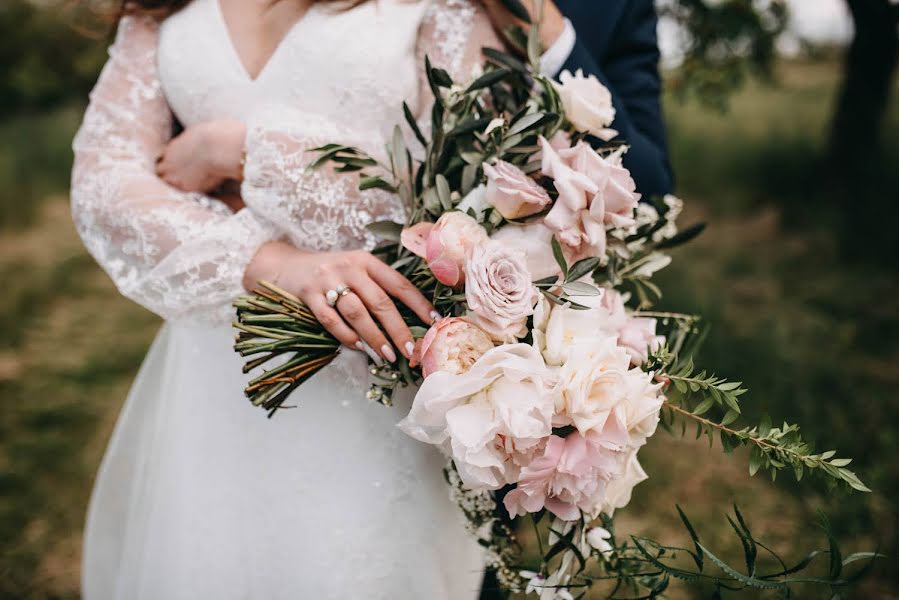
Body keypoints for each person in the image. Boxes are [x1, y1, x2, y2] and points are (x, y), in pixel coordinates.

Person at [71, 0, 669, 597]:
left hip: (368, 380)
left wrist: (248, 154)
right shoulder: (156, 11)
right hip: (212, 373)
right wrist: (271, 262)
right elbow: (106, 186)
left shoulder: (443, 7)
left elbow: (451, 201)